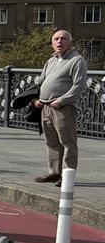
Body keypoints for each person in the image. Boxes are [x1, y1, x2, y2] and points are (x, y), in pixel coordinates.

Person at [33, 29, 87, 186]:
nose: (59, 42)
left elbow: (79, 85)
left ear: (70, 42)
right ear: (52, 43)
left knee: (68, 142)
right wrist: (37, 99)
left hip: (63, 107)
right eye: (56, 39)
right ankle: (54, 173)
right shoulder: (51, 61)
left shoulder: (77, 60)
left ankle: (68, 176)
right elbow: (41, 82)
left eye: (63, 39)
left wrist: (63, 100)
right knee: (51, 142)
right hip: (45, 107)